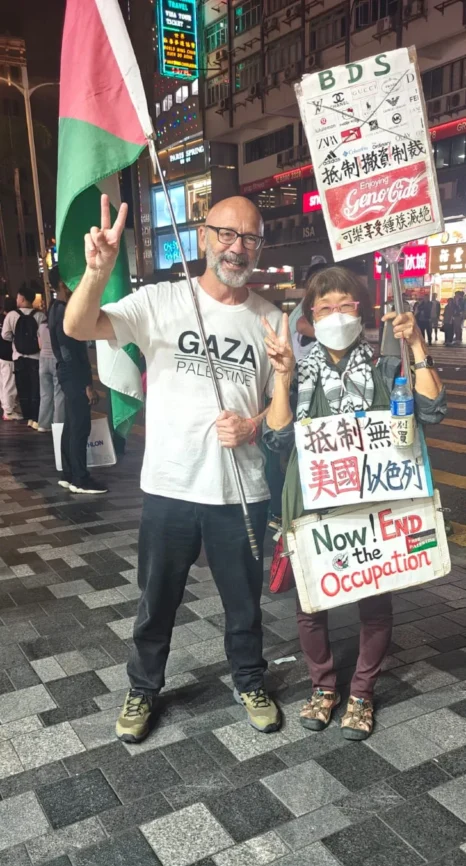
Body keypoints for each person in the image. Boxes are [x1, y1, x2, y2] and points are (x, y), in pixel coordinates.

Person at [63, 193, 283, 744]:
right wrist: (96, 273)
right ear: (203, 236)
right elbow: (78, 325)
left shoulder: (271, 317)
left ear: (260, 247)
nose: (238, 248)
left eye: (250, 238)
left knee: (244, 603)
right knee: (155, 598)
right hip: (170, 487)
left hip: (241, 491)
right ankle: (143, 688)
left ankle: (249, 680)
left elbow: (282, 406)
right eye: (226, 234)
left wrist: (253, 426)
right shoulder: (159, 301)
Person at [263, 266, 446, 740]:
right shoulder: (301, 373)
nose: (335, 314)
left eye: (344, 305)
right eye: (324, 308)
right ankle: (323, 687)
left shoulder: (388, 367)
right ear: (310, 317)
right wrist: (282, 378)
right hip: (310, 504)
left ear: (361, 310)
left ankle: (362, 692)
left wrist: (418, 346)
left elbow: (431, 410)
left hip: (373, 505)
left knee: (375, 603)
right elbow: (277, 437)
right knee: (311, 604)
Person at [48, 266, 104, 494]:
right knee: (80, 426)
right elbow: (73, 351)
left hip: (66, 371)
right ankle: (80, 479)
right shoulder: (64, 311)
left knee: (72, 424)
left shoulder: (54, 308)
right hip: (72, 373)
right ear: (62, 284)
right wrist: (86, 385)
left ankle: (69, 473)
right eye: (72, 279)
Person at [1, 284, 45, 427]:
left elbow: (6, 336)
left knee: (23, 388)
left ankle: (27, 417)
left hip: (18, 358)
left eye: (18, 297)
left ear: (23, 298)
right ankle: (36, 417)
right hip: (36, 358)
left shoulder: (12, 316)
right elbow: (43, 337)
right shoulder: (40, 315)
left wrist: (17, 339)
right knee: (36, 388)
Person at [37, 316, 65, 431]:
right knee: (59, 395)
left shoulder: (42, 326)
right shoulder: (60, 325)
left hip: (43, 360)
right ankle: (58, 425)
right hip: (56, 360)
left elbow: (40, 345)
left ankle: (43, 424)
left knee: (45, 394)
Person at [0, 298, 22, 421]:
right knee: (9, 384)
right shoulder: (12, 318)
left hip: (0, 355)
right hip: (8, 355)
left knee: (3, 384)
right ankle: (8, 411)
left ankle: (6, 407)